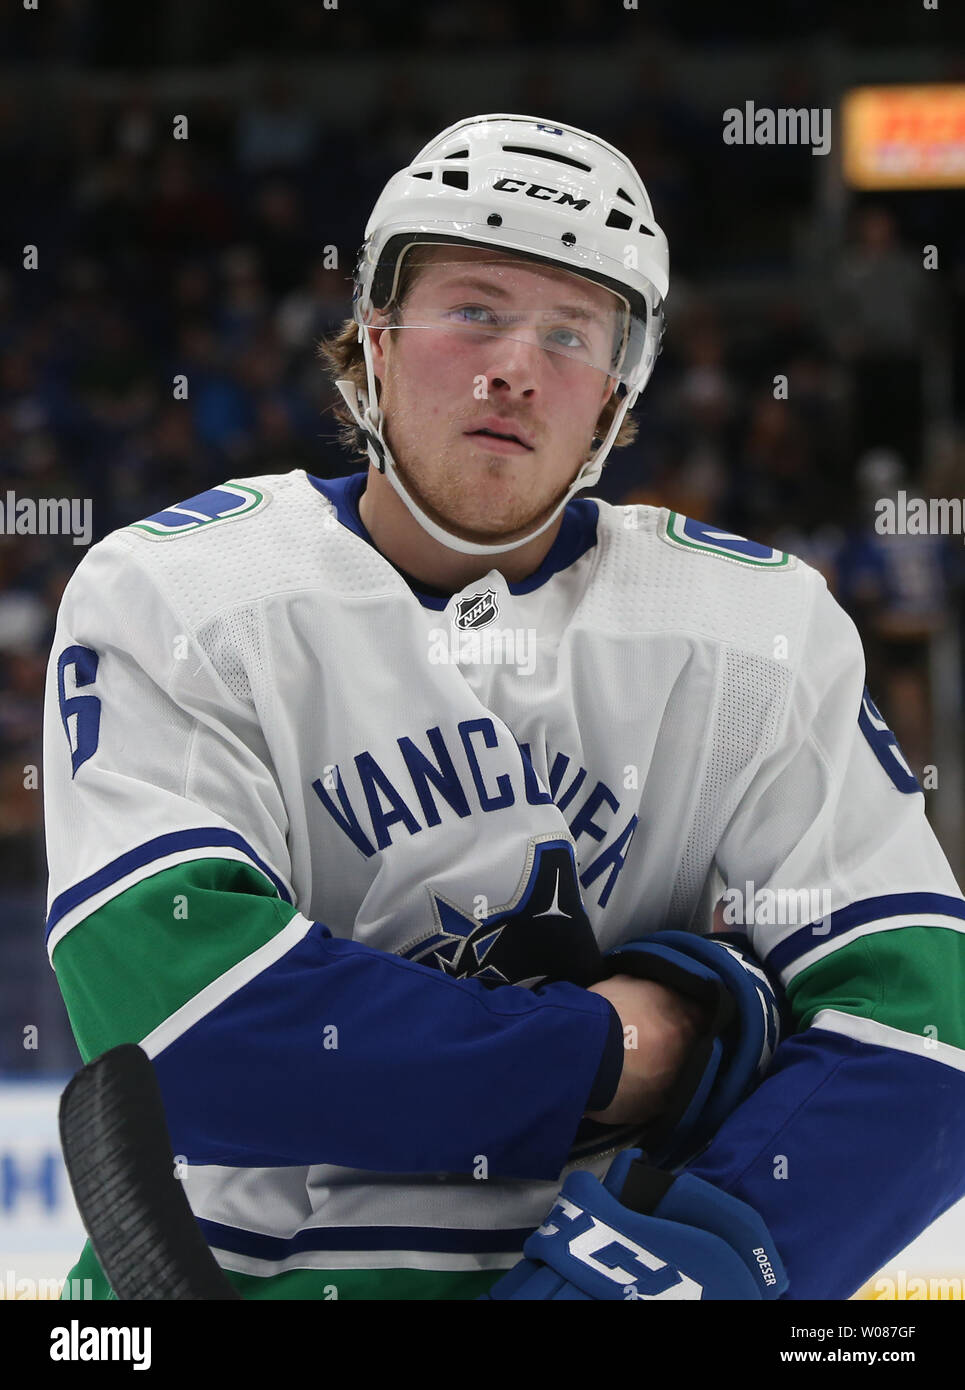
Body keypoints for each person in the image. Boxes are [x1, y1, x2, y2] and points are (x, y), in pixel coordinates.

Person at [44, 115, 965, 1301]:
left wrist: (665, 1275)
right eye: (473, 308)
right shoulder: (177, 591)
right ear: (371, 338)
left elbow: (924, 1028)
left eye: (571, 332)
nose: (514, 366)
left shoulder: (757, 632)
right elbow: (189, 1027)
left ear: (614, 397)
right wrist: (616, 1053)